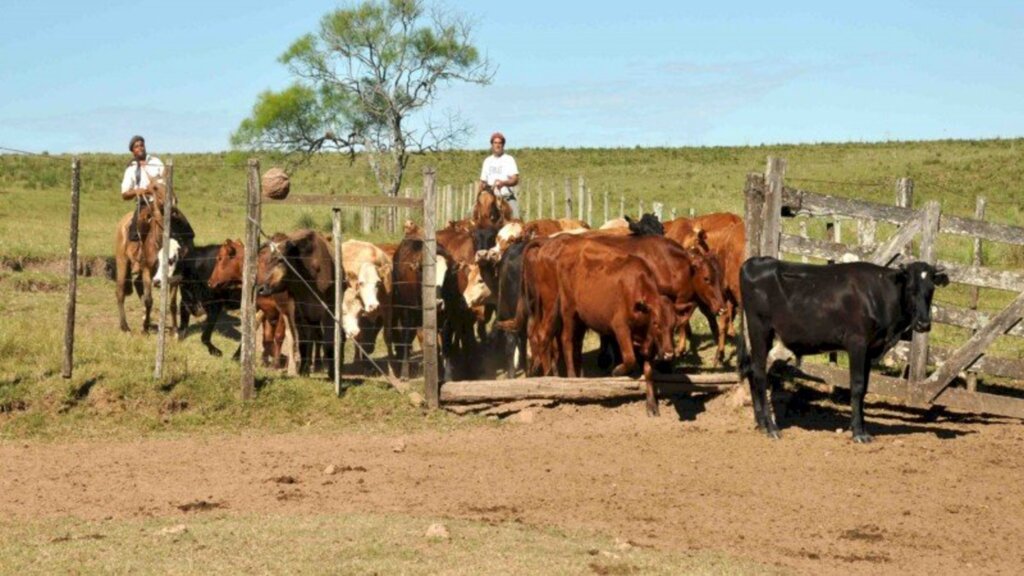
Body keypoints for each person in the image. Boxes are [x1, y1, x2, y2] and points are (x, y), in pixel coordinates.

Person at [121, 135, 165, 241]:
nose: (140, 148)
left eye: (141, 145)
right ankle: (137, 253)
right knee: (135, 232)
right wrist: (138, 191)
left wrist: (158, 185)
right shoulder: (131, 169)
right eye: (136, 146)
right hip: (145, 204)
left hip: (161, 201)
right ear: (133, 151)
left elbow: (165, 179)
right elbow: (124, 194)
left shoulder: (156, 162)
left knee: (182, 224)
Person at [478, 131, 519, 219]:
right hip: (489, 198)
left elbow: (515, 179)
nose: (497, 145)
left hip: (505, 197)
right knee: (472, 216)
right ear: (492, 145)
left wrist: (503, 183)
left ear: (503, 145)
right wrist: (482, 190)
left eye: (500, 143)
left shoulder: (509, 159)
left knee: (516, 219)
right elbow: (482, 181)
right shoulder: (487, 161)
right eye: (495, 143)